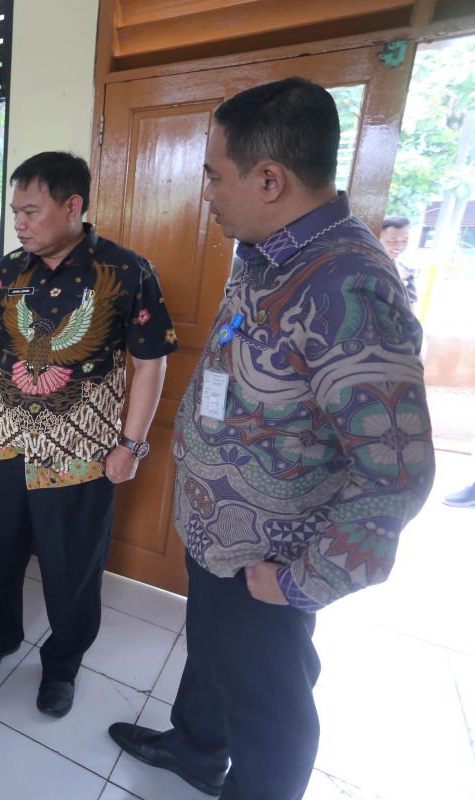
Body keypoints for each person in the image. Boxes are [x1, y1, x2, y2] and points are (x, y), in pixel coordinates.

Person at [108, 78, 434, 800]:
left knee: (272, 710)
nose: (206, 193)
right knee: (212, 657)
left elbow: (396, 474)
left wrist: (297, 580)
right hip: (220, 536)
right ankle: (196, 747)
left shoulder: (345, 286)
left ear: (269, 178)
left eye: (213, 176)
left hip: (269, 559)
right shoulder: (268, 252)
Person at [0, 151, 176, 719]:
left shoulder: (127, 271)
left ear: (73, 206)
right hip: (6, 445)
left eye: (31, 211)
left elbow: (151, 364)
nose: (20, 223)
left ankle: (61, 666)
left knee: (71, 572)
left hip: (80, 454)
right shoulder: (7, 269)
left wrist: (130, 447)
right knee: (0, 555)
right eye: (16, 212)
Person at [379, 216, 418, 310]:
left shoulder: (405, 273)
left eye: (405, 240)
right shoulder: (363, 266)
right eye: (393, 241)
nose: (399, 246)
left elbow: (410, 309)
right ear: (377, 238)